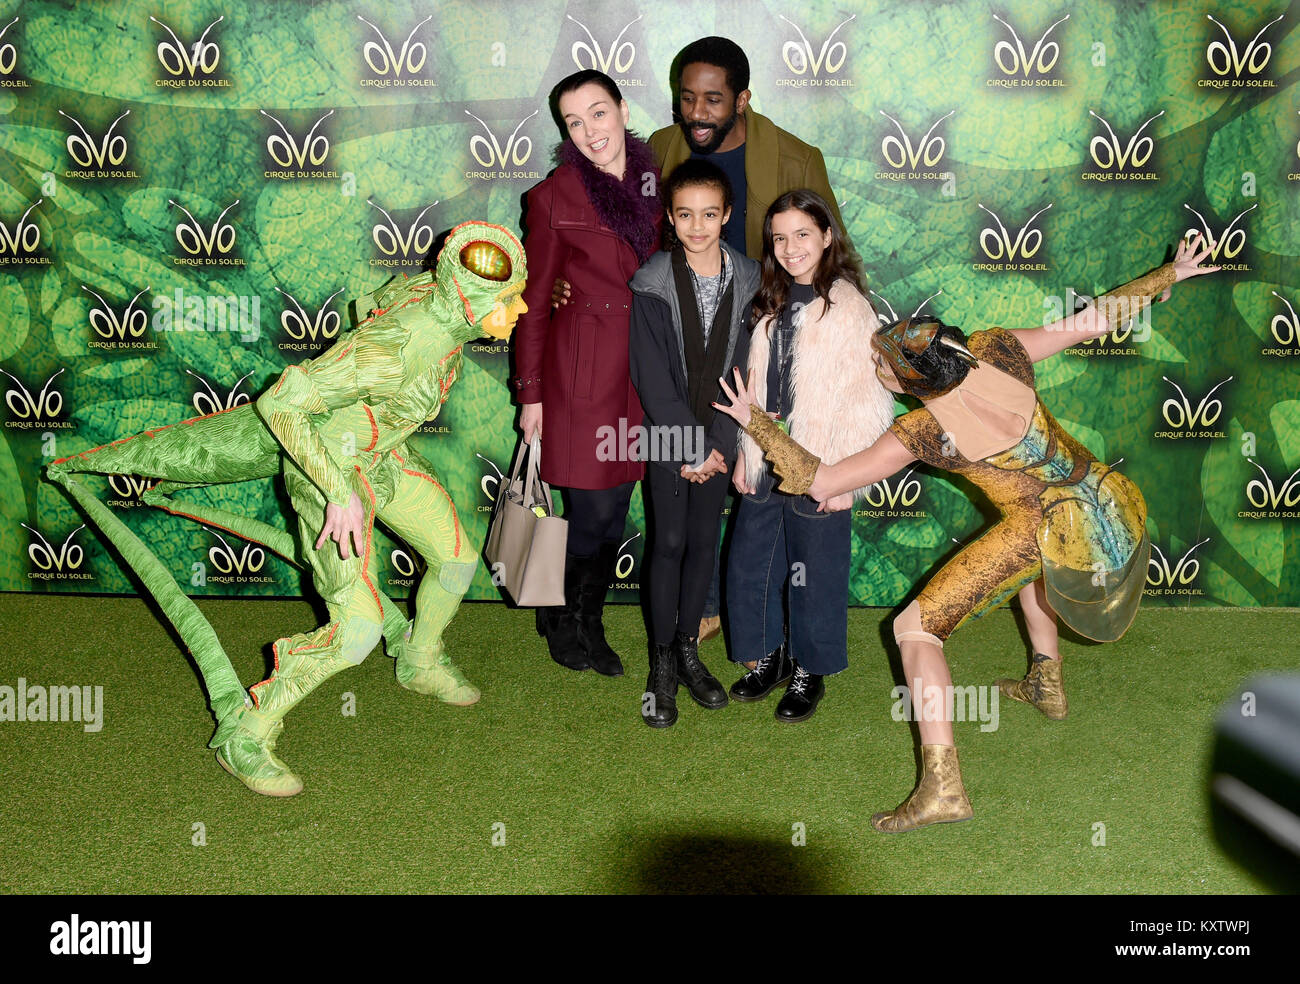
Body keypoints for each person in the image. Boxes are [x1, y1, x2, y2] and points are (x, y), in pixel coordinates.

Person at [713, 232, 1221, 829]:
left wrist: (757, 423)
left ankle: (943, 789)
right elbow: (1093, 321)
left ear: (911, 381)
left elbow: (819, 482)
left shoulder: (923, 432)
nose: (874, 366)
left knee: (915, 629)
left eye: (882, 363)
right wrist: (1172, 274)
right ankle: (1046, 683)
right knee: (1035, 570)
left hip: (1046, 523)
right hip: (1105, 501)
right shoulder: (996, 350)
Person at [47, 221, 529, 796]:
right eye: (507, 298)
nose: (520, 307)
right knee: (357, 631)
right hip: (327, 475)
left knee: (455, 561)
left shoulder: (435, 299)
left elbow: (370, 302)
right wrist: (337, 488)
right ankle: (247, 731)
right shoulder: (400, 347)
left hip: (381, 456)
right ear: (469, 297)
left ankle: (419, 660)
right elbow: (282, 402)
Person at [556, 37, 850, 644]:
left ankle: (769, 627)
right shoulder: (658, 151)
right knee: (695, 481)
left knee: (759, 480)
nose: (698, 113)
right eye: (686, 98)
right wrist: (566, 286)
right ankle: (701, 611)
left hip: (770, 341)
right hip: (682, 343)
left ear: (742, 99)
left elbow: (829, 251)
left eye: (714, 100)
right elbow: (604, 236)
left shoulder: (796, 158)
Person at [513, 69, 663, 677]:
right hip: (582, 370)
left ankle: (580, 615)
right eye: (574, 122)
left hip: (648, 367)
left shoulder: (661, 183)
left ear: (623, 111)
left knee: (618, 506)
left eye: (597, 114)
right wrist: (532, 394)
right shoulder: (553, 197)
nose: (589, 131)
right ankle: (568, 618)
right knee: (593, 512)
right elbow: (535, 300)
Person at [726, 190, 895, 723]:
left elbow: (869, 402)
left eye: (803, 234)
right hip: (767, 457)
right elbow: (757, 386)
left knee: (812, 570)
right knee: (755, 562)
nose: (791, 247)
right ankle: (769, 655)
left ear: (827, 237)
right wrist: (744, 452)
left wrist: (842, 478)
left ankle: (808, 668)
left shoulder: (849, 307)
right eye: (779, 237)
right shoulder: (772, 301)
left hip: (821, 464)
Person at [628, 159, 761, 728]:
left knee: (705, 543)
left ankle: (688, 649)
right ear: (671, 217)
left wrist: (720, 445)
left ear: (727, 215)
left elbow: (748, 367)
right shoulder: (653, 279)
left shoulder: (752, 279)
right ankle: (661, 663)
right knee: (669, 542)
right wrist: (688, 445)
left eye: (710, 214)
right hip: (668, 438)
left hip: (722, 438)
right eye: (686, 215)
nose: (698, 226)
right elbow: (650, 374)